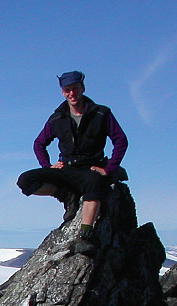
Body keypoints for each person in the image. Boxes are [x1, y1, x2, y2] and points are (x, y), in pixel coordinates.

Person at [17, 70, 128, 251]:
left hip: (90, 168)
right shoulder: (57, 117)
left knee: (95, 184)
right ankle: (65, 195)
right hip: (65, 169)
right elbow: (39, 144)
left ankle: (85, 236)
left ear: (82, 88)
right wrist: (48, 166)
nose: (72, 94)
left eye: (75, 89)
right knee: (25, 180)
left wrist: (109, 168)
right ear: (62, 92)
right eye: (67, 90)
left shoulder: (101, 113)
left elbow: (120, 140)